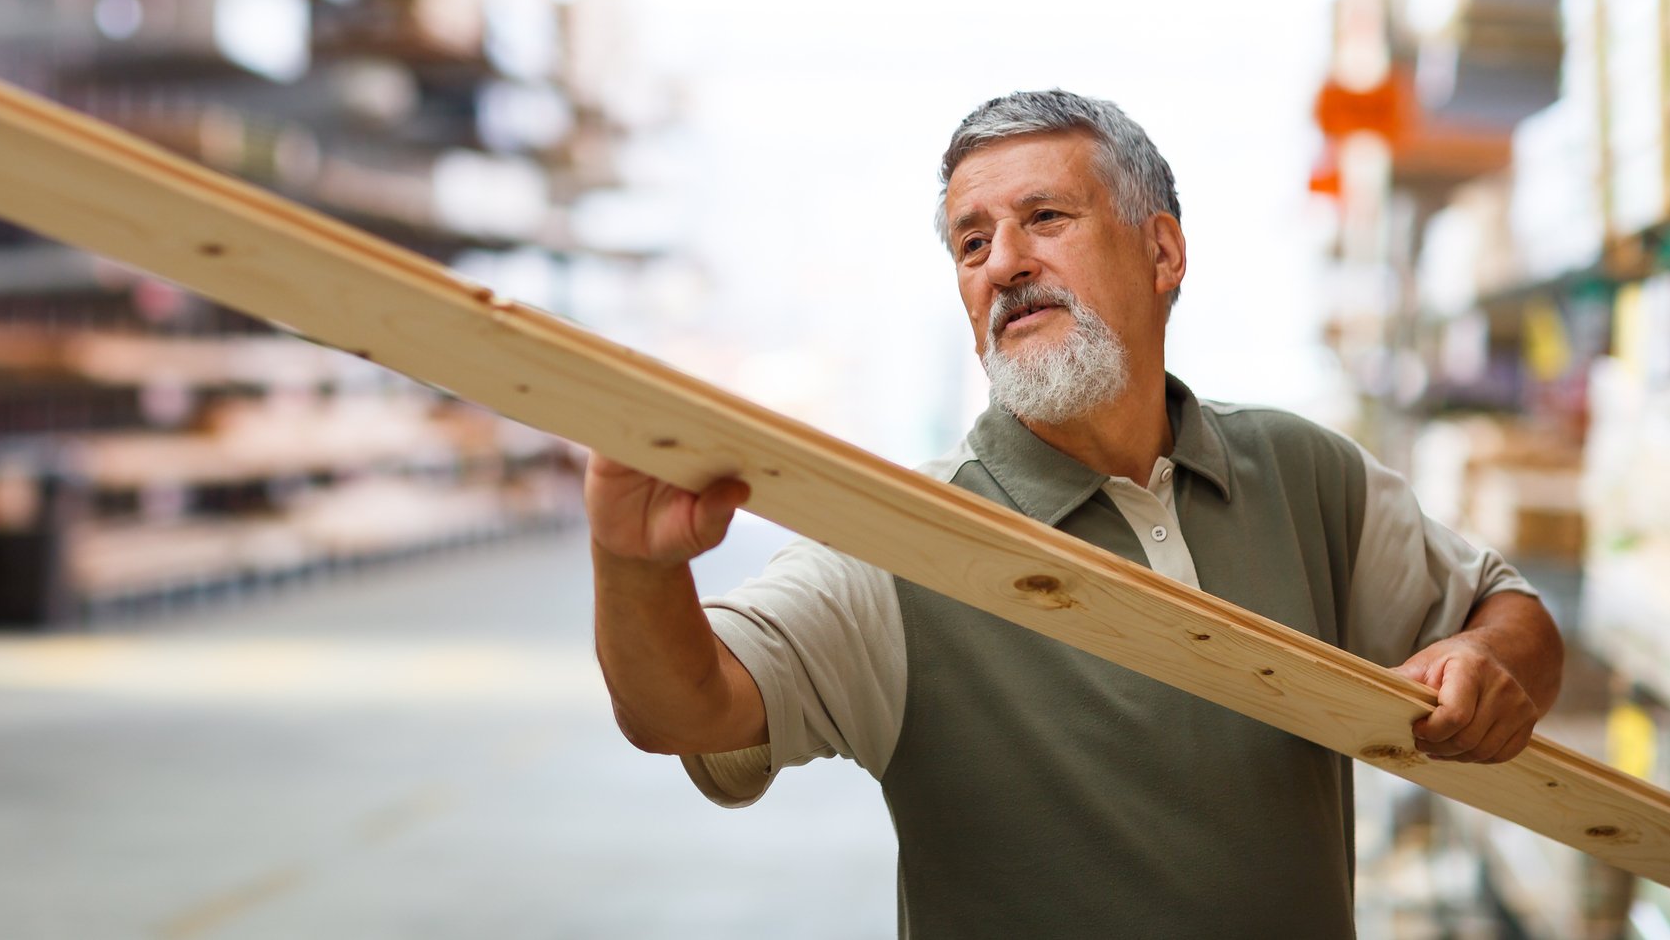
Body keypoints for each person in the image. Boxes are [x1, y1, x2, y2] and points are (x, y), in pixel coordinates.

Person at [585, 90, 1563, 939]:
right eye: (972, 242)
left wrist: (1492, 663)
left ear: (1162, 250)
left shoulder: (1301, 473)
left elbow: (1508, 613)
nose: (1003, 262)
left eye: (1044, 217)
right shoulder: (907, 544)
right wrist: (633, 564)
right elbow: (689, 708)